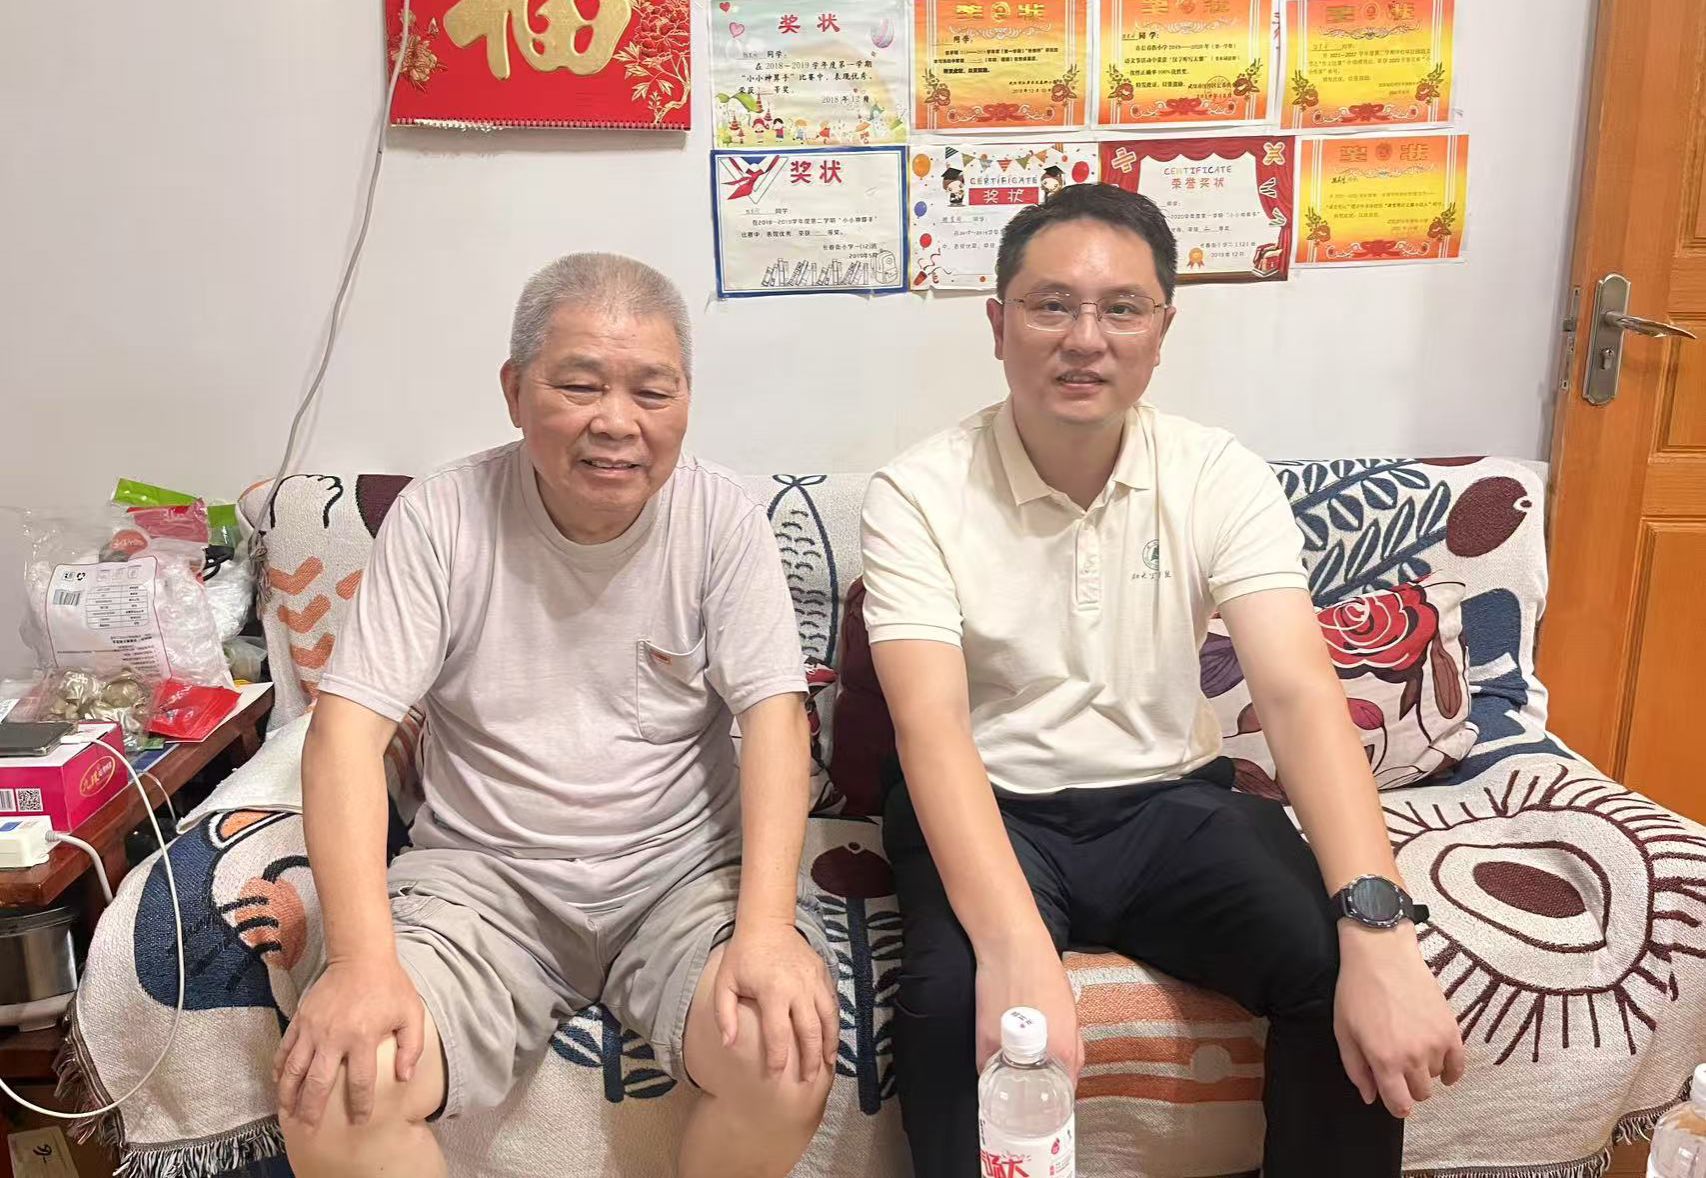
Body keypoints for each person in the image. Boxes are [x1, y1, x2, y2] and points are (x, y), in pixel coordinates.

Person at [859, 184, 1465, 1177]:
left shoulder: (1215, 473)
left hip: (1169, 803)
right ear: (997, 324)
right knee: (950, 1006)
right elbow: (930, 727)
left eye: (1121, 309)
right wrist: (1015, 951)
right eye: (1050, 305)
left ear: (1161, 330)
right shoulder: (917, 492)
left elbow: (1297, 695)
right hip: (989, 803)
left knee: (1332, 965)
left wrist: (1379, 925)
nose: (1084, 338)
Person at [274, 254, 837, 1178]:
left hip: (680, 876)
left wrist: (768, 930)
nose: (616, 421)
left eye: (652, 390)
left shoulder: (721, 520)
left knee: (783, 1058)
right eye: (579, 385)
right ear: (514, 390)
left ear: (685, 400)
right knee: (342, 1094)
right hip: (484, 884)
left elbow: (775, 720)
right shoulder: (440, 518)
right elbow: (344, 737)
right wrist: (361, 964)